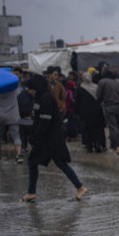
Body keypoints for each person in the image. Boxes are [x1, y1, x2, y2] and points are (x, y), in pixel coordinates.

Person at [21, 74, 87, 203]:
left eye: (31, 89)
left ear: (37, 87)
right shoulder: (40, 98)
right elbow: (38, 119)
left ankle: (80, 187)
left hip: (50, 139)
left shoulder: (46, 99)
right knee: (35, 162)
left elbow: (45, 121)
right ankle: (31, 192)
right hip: (46, 138)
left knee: (53, 162)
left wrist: (35, 136)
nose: (30, 92)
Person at [96, 65, 119, 157]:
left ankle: (116, 145)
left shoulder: (102, 82)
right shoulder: (117, 82)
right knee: (117, 126)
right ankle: (118, 144)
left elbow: (98, 96)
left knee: (112, 127)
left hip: (108, 106)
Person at [0, 69, 23, 162]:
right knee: (16, 135)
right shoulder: (14, 90)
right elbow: (20, 91)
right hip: (12, 115)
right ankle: (19, 155)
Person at [76, 71, 105, 153]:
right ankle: (98, 144)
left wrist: (77, 112)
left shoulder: (80, 88)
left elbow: (78, 101)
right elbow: (100, 98)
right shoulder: (96, 87)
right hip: (97, 111)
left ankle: (89, 146)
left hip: (85, 112)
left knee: (87, 130)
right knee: (97, 129)